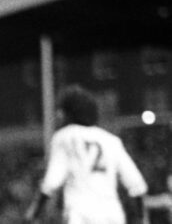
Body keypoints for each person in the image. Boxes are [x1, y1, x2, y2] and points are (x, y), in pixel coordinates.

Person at [25, 84, 148, 224]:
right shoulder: (111, 140)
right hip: (112, 214)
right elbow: (137, 184)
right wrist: (142, 219)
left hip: (80, 214)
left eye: (62, 110)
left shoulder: (64, 137)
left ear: (70, 112)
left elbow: (52, 181)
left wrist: (34, 213)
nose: (58, 115)